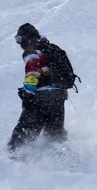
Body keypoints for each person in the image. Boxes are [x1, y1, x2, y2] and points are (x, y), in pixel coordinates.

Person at [7, 23, 69, 157]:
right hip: (58, 97)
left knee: (20, 139)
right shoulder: (49, 49)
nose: (19, 44)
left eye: (19, 40)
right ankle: (65, 165)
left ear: (25, 38)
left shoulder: (31, 51)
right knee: (54, 137)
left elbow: (33, 71)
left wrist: (27, 92)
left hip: (41, 99)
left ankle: (13, 165)